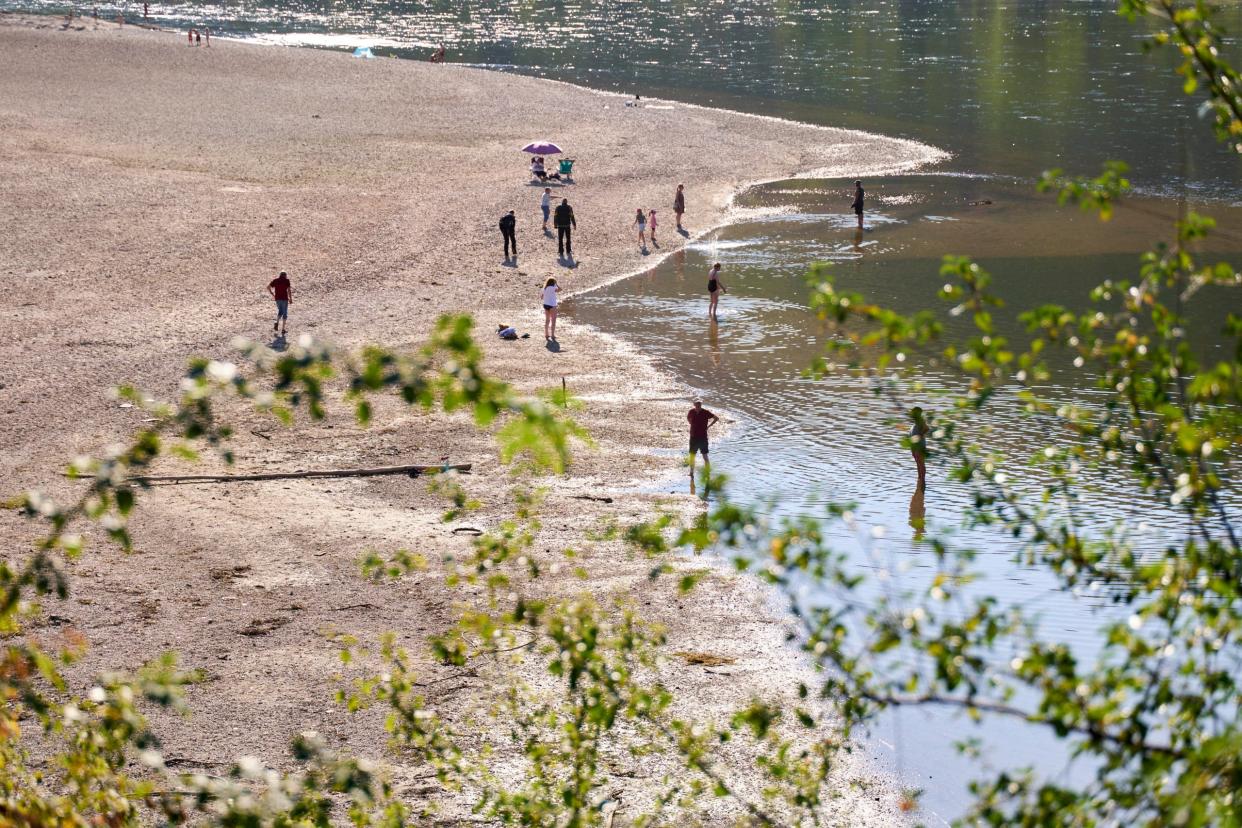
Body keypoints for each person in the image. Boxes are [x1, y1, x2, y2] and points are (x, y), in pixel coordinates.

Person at [687, 398, 719, 472]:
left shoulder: (705, 412)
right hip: (693, 436)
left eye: (699, 404)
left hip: (703, 437)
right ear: (694, 404)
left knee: (705, 456)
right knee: (692, 456)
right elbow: (688, 418)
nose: (698, 405)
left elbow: (716, 418)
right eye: (697, 404)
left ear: (701, 404)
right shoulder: (691, 412)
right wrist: (690, 423)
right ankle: (691, 472)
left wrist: (709, 426)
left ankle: (707, 472)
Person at [267, 270, 293, 336]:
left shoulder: (275, 280)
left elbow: (268, 287)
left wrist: (272, 293)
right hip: (284, 298)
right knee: (285, 313)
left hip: (277, 299)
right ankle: (283, 329)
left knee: (280, 311)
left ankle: (277, 322)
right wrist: (290, 299)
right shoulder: (287, 281)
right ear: (285, 275)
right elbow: (289, 290)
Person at [909, 406, 929, 487]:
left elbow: (927, 428)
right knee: (918, 463)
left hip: (919, 446)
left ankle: (922, 480)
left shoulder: (921, 420)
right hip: (914, 446)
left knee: (921, 463)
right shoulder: (916, 421)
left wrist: (920, 435)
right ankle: (920, 479)